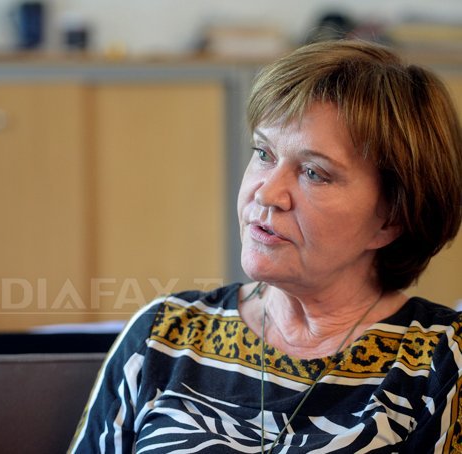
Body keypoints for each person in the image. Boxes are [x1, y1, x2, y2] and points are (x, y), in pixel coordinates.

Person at [70, 40, 462, 453]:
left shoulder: (438, 361)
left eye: (313, 173)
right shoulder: (164, 334)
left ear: (392, 219)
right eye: (263, 153)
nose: (267, 193)